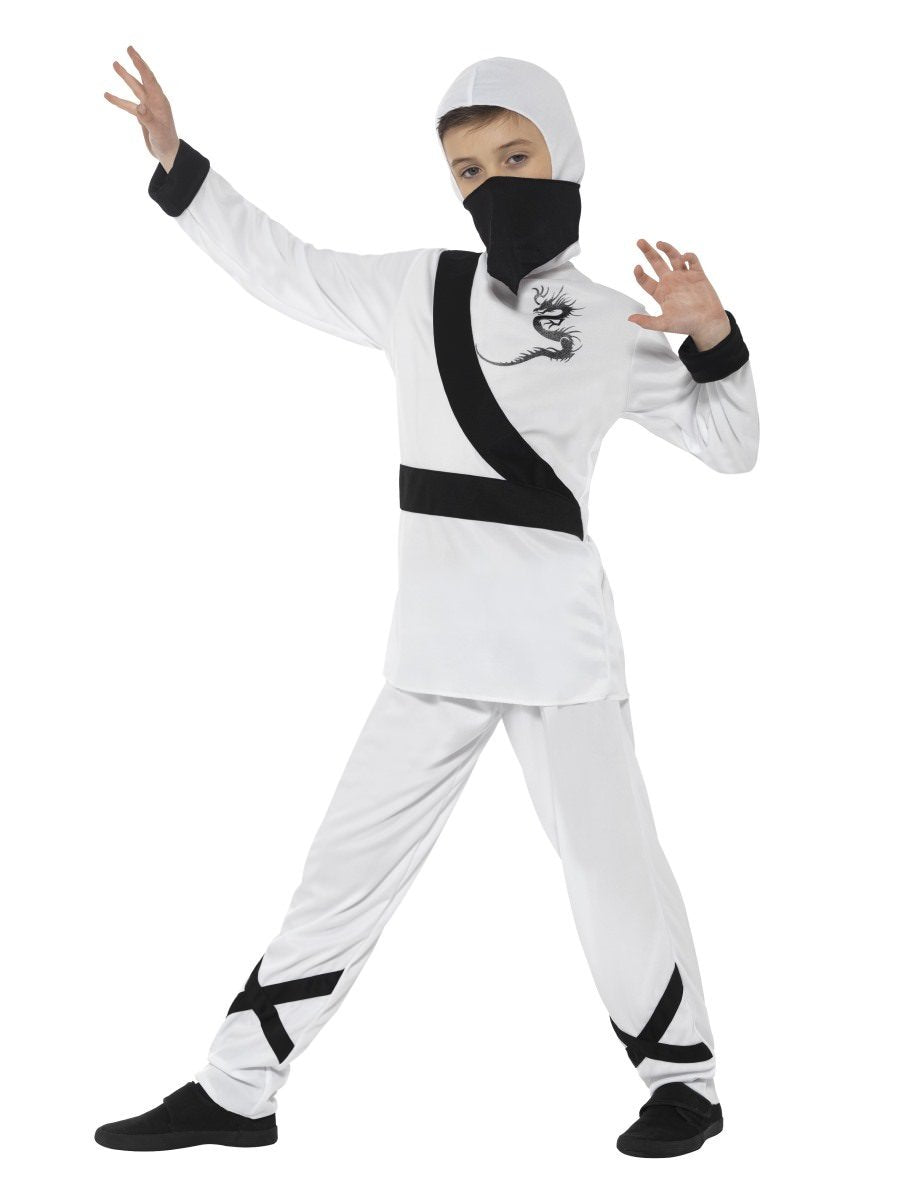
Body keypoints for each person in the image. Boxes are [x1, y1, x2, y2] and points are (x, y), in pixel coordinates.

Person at [96, 49, 758, 1159]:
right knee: (340, 873)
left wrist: (709, 335)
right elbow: (285, 267)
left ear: (564, 158)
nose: (493, 184)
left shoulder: (613, 322)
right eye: (468, 170)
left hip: (561, 656)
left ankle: (684, 1085)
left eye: (516, 157)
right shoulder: (417, 291)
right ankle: (238, 1089)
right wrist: (179, 165)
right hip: (434, 653)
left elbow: (731, 445)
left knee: (614, 875)